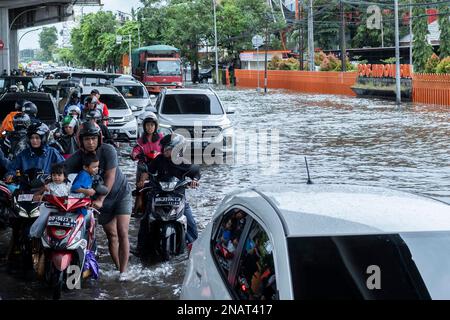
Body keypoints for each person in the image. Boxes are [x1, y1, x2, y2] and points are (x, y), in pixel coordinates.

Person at [64, 122, 131, 281]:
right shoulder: (78, 157)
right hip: (100, 203)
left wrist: (100, 199)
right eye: (87, 139)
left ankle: (123, 272)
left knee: (122, 232)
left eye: (93, 138)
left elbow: (110, 177)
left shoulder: (108, 151)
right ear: (80, 141)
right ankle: (117, 267)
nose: (91, 142)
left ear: (99, 138)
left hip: (120, 194)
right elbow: (61, 171)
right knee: (111, 235)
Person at [136, 133, 200, 256]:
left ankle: (195, 248)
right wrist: (142, 180)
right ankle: (141, 248)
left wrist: (194, 181)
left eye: (168, 148)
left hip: (178, 197)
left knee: (191, 223)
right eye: (164, 148)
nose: (165, 150)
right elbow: (148, 171)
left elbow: (196, 173)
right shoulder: (159, 159)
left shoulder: (184, 162)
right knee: (144, 220)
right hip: (158, 195)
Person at [130, 112, 164, 216]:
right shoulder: (140, 140)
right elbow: (135, 149)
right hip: (144, 166)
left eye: (152, 125)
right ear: (144, 126)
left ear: (156, 126)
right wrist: (134, 154)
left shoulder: (161, 138)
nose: (150, 127)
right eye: (148, 125)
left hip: (158, 166)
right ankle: (136, 209)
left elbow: (167, 147)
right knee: (140, 188)